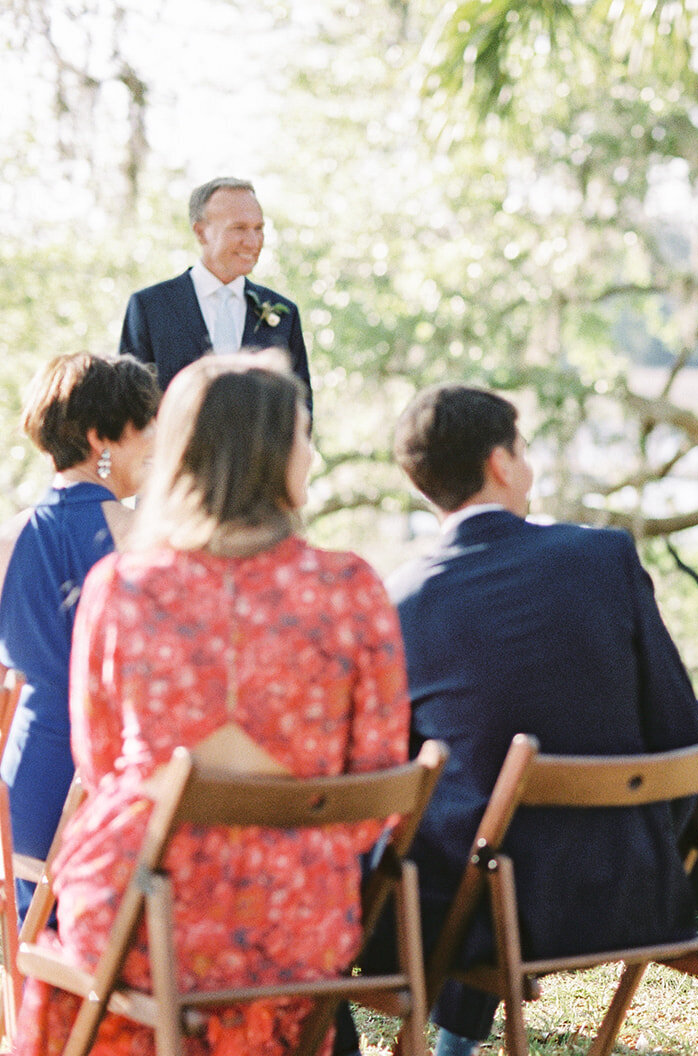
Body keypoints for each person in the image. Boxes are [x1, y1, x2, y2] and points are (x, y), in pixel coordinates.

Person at [11, 354, 408, 1056]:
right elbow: (377, 783)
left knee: (76, 936)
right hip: (300, 921)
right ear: (275, 452)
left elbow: (101, 768)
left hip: (145, 918)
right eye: (303, 435)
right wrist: (281, 837)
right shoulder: (352, 589)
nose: (311, 454)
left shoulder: (124, 586)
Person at [358, 383, 698, 1056]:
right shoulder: (604, 557)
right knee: (488, 815)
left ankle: (449, 1042)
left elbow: (396, 779)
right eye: (524, 447)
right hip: (640, 891)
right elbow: (683, 733)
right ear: (500, 463)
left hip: (485, 913)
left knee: (464, 817)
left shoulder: (399, 601)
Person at [0, 353, 160, 923]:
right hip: (107, 779)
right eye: (147, 425)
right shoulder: (143, 539)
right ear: (101, 438)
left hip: (25, 785)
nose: (157, 441)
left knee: (34, 956)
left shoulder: (8, 538)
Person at [118, 178, 312, 406]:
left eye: (258, 229)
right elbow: (129, 406)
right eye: (238, 228)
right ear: (201, 232)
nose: (253, 242)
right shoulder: (150, 307)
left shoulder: (284, 314)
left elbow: (301, 408)